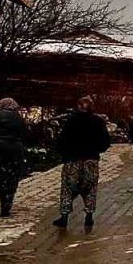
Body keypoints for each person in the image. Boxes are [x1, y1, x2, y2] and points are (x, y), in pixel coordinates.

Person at [53, 96, 111, 229]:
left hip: (72, 160)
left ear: (78, 106)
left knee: (67, 189)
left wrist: (63, 152)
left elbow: (62, 140)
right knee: (90, 189)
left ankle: (64, 217)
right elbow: (106, 142)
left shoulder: (71, 121)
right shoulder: (98, 121)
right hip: (91, 160)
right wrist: (97, 150)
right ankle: (89, 216)